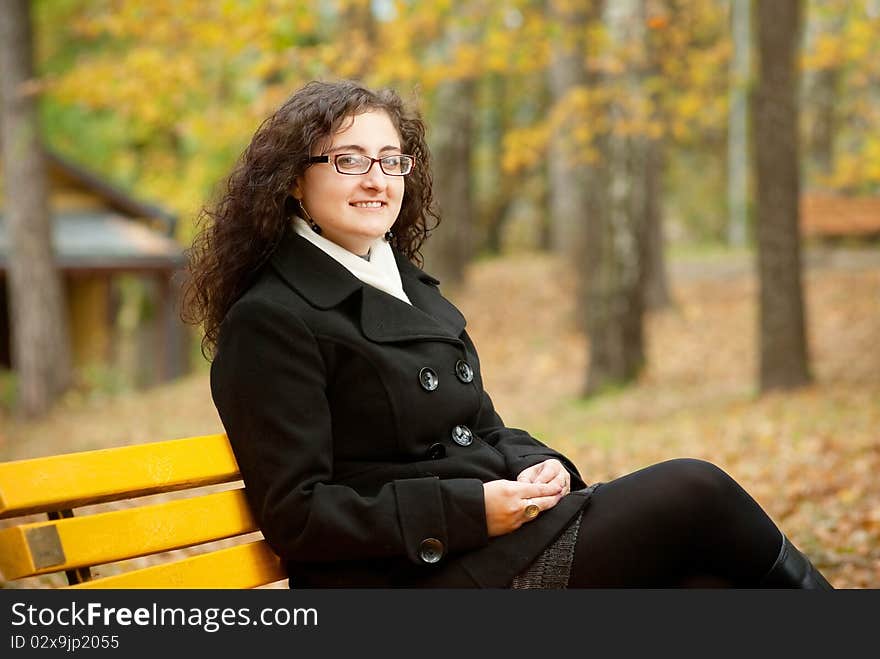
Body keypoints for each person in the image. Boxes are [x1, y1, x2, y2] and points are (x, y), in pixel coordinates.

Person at [183, 79, 833, 589]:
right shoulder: (271, 320)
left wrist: (538, 466)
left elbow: (481, 427)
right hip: (409, 581)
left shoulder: (404, 284)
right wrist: (469, 510)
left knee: (708, 588)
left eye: (390, 160)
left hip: (486, 549)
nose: (377, 180)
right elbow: (299, 515)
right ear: (295, 180)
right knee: (696, 490)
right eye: (348, 161)